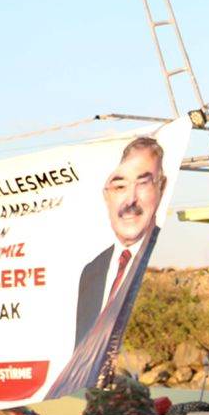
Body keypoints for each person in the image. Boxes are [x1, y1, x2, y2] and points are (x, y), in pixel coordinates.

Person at [54, 135, 166, 398]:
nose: (130, 200)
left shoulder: (152, 262)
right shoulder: (91, 271)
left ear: (161, 188)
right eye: (119, 187)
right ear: (106, 196)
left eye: (143, 184)